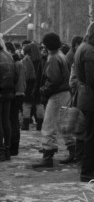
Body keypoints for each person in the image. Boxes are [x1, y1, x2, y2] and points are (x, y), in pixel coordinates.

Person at [32, 33, 72, 168]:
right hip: (65, 93)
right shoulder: (61, 55)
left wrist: (42, 90)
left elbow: (53, 80)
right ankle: (74, 151)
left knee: (48, 125)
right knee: (64, 124)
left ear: (47, 44)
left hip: (57, 95)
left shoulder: (53, 58)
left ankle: (47, 155)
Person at [74, 21, 94, 182]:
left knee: (90, 135)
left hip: (85, 97)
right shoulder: (90, 52)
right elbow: (93, 78)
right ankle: (88, 170)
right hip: (91, 99)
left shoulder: (84, 48)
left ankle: (90, 167)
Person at [0, 38, 17, 161]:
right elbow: (15, 75)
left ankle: (1, 151)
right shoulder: (8, 56)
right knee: (6, 121)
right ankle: (7, 150)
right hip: (8, 92)